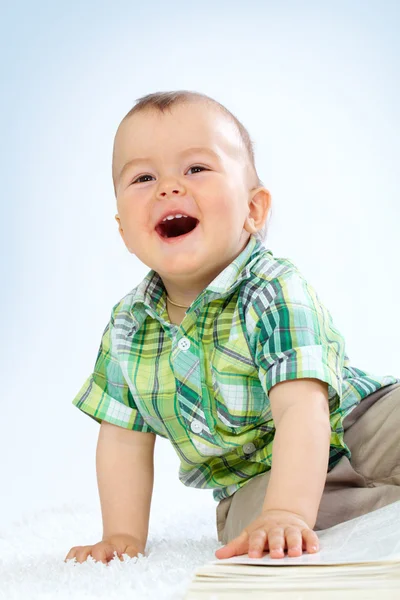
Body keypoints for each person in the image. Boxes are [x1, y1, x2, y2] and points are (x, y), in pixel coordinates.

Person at [64, 90, 400, 565]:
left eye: (196, 168)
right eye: (143, 177)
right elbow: (122, 438)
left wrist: (288, 508)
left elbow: (302, 409)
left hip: (358, 421)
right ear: (124, 232)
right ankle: (375, 513)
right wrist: (121, 535)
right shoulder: (127, 327)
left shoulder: (272, 289)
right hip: (254, 477)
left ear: (253, 210)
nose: (168, 187)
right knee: (253, 531)